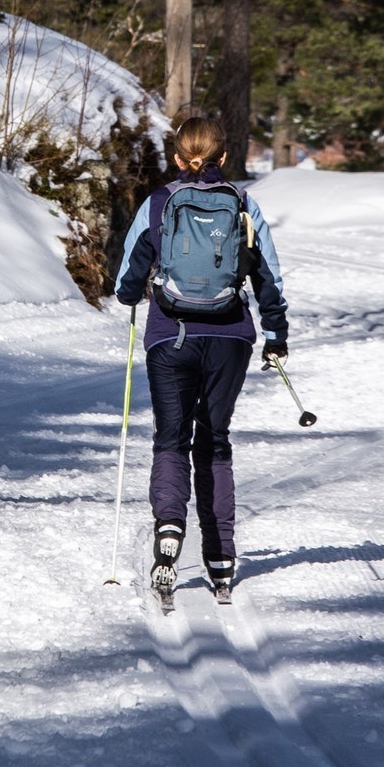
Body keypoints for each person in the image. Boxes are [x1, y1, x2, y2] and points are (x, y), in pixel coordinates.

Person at [114, 116, 289, 600]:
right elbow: (268, 278)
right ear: (225, 158)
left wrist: (135, 293)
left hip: (170, 336)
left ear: (176, 158)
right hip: (231, 336)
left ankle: (169, 529)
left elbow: (126, 281)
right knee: (214, 441)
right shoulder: (244, 205)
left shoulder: (158, 203)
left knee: (171, 436)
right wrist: (276, 337)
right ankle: (221, 558)